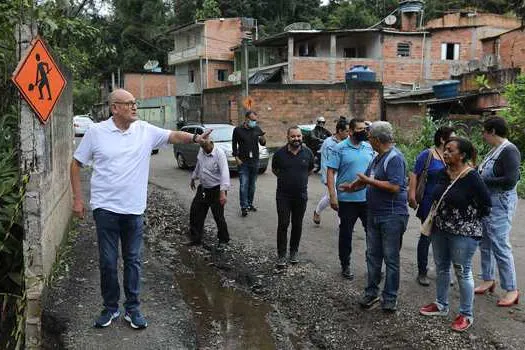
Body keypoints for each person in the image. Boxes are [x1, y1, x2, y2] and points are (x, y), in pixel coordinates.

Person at [71, 89, 211, 330]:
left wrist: (197, 139)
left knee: (133, 260)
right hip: (105, 208)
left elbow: (173, 136)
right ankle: (110, 308)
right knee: (107, 260)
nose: (135, 107)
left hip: (134, 209)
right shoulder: (96, 132)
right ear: (115, 108)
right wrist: (77, 199)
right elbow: (75, 164)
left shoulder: (145, 130)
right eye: (129, 104)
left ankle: (133, 309)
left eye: (135, 103)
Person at [419, 137, 491, 332]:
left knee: (462, 271)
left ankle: (466, 314)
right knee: (441, 268)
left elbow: (486, 205)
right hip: (440, 229)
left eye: (451, 150)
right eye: (446, 149)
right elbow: (438, 196)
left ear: (463, 155)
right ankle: (441, 305)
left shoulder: (472, 177)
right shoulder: (444, 172)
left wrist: (467, 220)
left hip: (463, 233)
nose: (446, 153)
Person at [340, 121, 408, 312]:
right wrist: (352, 186)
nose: (368, 140)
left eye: (370, 137)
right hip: (375, 213)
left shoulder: (395, 158)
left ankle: (390, 298)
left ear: (378, 140)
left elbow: (394, 187)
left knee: (391, 258)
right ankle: (371, 293)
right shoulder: (377, 158)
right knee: (373, 255)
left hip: (392, 216)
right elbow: (366, 178)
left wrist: (368, 181)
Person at [475, 116, 521, 306]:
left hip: (500, 203)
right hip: (488, 202)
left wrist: (481, 181)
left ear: (492, 131)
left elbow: (510, 180)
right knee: (484, 242)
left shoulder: (509, 151)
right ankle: (488, 279)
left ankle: (512, 289)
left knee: (500, 245)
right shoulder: (495, 150)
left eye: (485, 131)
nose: (483, 135)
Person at [326, 118, 374, 280]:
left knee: (372, 234)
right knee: (346, 234)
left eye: (365, 129)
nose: (364, 131)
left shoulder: (368, 147)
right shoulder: (339, 148)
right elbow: (330, 172)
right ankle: (345, 264)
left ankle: (372, 264)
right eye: (360, 129)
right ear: (351, 131)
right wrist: (333, 196)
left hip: (367, 199)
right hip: (347, 200)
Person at [408, 126, 455, 286]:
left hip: (447, 202)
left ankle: (444, 271)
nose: (454, 140)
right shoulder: (427, 155)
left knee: (446, 238)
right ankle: (422, 272)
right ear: (442, 139)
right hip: (429, 201)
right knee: (426, 236)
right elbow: (415, 174)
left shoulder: (452, 156)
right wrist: (412, 195)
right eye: (452, 137)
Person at [272, 126, 314, 270]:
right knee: (283, 224)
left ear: (302, 137)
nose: (296, 139)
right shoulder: (279, 154)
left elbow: (310, 169)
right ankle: (281, 255)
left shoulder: (308, 153)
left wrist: (299, 180)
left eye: (299, 136)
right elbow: (275, 169)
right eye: (293, 136)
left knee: (297, 224)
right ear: (287, 137)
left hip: (301, 195)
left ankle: (293, 252)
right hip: (283, 195)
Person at [188, 140, 230, 249]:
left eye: (206, 146)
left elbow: (225, 172)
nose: (204, 149)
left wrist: (223, 193)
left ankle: (223, 240)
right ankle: (196, 238)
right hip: (203, 188)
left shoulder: (219, 154)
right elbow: (198, 165)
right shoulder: (201, 151)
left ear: (211, 143)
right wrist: (193, 178)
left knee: (218, 216)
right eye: (202, 147)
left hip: (216, 189)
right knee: (196, 212)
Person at [313, 119, 349, 225]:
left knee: (334, 196)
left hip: (343, 173)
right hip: (331, 174)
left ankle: (317, 212)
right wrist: (326, 178)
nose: (349, 133)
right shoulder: (328, 143)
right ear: (340, 131)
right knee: (334, 196)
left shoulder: (348, 142)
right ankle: (342, 222)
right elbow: (325, 162)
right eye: (346, 131)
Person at [232, 111, 266, 217]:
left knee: (252, 185)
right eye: (252, 120)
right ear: (246, 119)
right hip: (243, 162)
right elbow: (234, 144)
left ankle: (250, 204)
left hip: (255, 161)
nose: (254, 122)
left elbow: (263, 143)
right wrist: (236, 157)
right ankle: (244, 207)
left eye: (255, 120)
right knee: (243, 184)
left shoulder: (257, 129)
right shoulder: (238, 130)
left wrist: (263, 138)